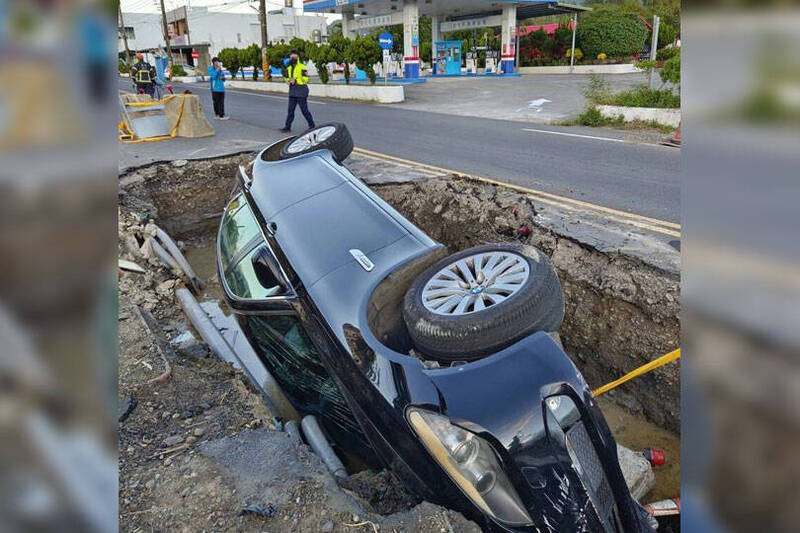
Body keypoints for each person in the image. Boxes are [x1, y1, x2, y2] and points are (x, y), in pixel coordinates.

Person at [279, 50, 315, 132]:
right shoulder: (289, 68)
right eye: (292, 56)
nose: (293, 58)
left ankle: (312, 125)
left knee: (304, 110)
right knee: (290, 110)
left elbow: (306, 79)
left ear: (298, 57)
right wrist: (288, 81)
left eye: (295, 56)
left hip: (301, 91)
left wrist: (296, 80)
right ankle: (287, 127)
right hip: (292, 91)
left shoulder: (302, 66)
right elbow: (286, 78)